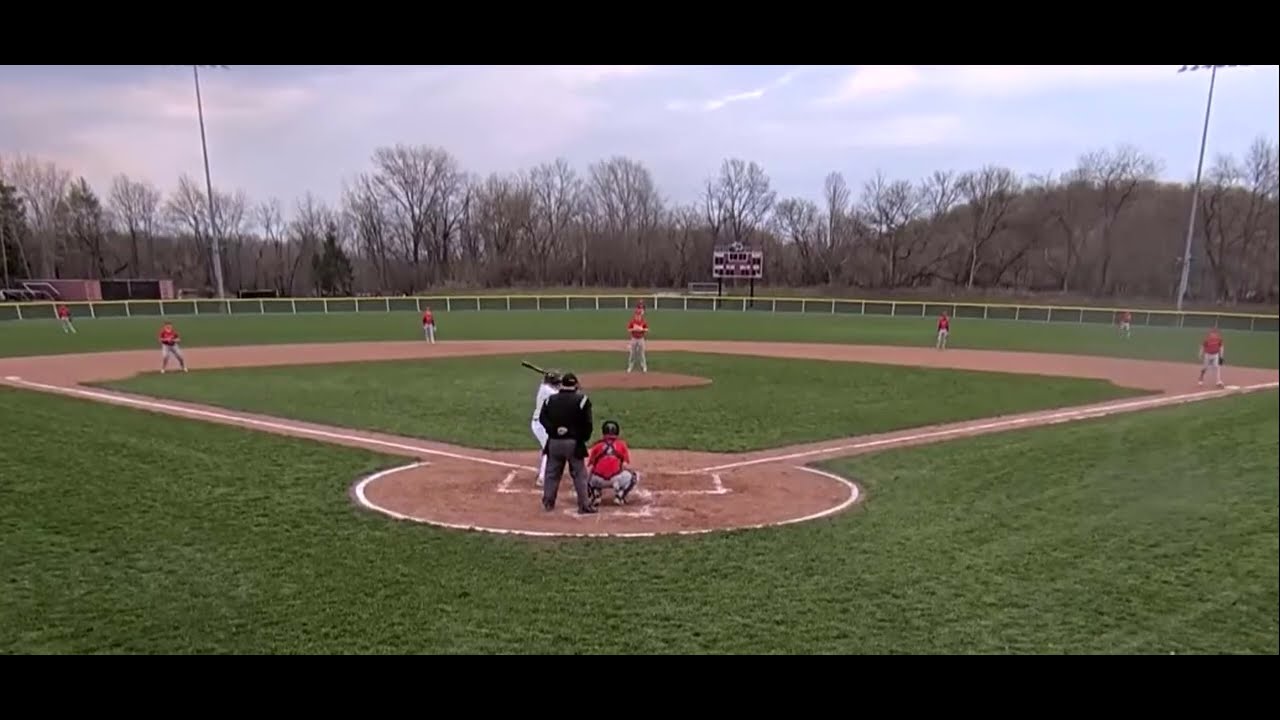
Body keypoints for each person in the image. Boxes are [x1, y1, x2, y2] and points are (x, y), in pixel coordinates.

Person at [537, 372, 595, 513]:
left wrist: (554, 431)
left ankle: (548, 503)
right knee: (579, 474)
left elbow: (542, 418)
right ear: (575, 384)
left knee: (552, 473)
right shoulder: (582, 400)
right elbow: (588, 424)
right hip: (573, 443)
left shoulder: (550, 400)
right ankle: (584, 505)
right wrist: (581, 437)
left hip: (554, 443)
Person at [586, 420, 640, 506]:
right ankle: (620, 496)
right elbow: (626, 465)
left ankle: (596, 494)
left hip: (598, 481)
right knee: (634, 476)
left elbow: (590, 465)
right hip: (616, 480)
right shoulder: (621, 445)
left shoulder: (597, 446)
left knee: (584, 475)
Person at [530, 370, 561, 487]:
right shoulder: (549, 392)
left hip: (542, 423)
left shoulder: (545, 387)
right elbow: (562, 394)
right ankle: (542, 478)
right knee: (550, 450)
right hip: (540, 425)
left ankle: (543, 473)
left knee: (549, 449)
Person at [627, 304, 649, 373]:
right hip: (634, 339)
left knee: (641, 353)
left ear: (640, 315)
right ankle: (630, 366)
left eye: (638, 315)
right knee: (632, 353)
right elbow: (628, 329)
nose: (637, 316)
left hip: (641, 339)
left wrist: (642, 329)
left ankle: (644, 366)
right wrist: (633, 329)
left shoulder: (643, 321)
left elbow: (647, 329)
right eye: (636, 315)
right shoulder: (632, 321)